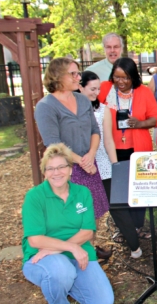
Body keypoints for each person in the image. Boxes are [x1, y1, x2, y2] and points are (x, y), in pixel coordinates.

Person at [21, 143, 114, 304]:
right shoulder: (35, 197)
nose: (57, 172)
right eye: (51, 168)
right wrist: (70, 247)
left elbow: (88, 232)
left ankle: (63, 284)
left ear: (71, 169)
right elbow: (36, 241)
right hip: (41, 257)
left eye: (62, 167)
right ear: (44, 172)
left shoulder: (82, 193)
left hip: (72, 251)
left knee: (103, 303)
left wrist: (60, 249)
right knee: (60, 270)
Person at [35, 58, 110, 260]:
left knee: (90, 212)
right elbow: (53, 143)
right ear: (58, 77)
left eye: (78, 73)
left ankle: (88, 249)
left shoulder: (83, 100)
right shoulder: (46, 106)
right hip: (65, 169)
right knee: (71, 215)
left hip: (88, 163)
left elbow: (95, 130)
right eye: (74, 74)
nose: (79, 77)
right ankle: (70, 252)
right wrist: (81, 161)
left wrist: (91, 155)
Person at [98, 57, 157, 245]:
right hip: (112, 149)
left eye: (125, 78)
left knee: (138, 189)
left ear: (133, 77)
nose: (121, 82)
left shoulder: (143, 92)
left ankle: (138, 226)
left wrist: (140, 123)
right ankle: (124, 227)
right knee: (118, 190)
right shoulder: (104, 89)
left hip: (138, 148)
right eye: (117, 77)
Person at [78, 71, 118, 260]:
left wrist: (114, 164)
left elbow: (106, 139)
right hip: (78, 164)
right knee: (81, 209)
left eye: (98, 89)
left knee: (94, 210)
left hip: (96, 162)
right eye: (92, 89)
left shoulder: (101, 109)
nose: (96, 93)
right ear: (80, 87)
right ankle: (82, 249)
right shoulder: (72, 109)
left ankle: (90, 246)